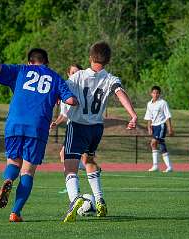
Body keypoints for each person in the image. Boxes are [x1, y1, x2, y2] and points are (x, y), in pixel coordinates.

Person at [0, 48, 77, 222]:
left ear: (30, 62)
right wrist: (65, 97)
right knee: (27, 172)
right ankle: (15, 212)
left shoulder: (21, 70)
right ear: (46, 62)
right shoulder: (55, 77)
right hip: (37, 127)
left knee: (13, 162)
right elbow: (71, 100)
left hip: (14, 124)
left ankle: (8, 179)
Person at [61, 41, 137, 222]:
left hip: (78, 125)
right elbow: (120, 93)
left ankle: (74, 200)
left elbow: (62, 91)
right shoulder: (110, 78)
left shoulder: (77, 76)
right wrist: (132, 115)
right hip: (96, 129)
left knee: (69, 166)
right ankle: (100, 199)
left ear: (90, 57)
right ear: (108, 60)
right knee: (89, 160)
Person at [50, 64, 86, 194]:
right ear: (68, 74)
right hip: (71, 127)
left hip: (79, 126)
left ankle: (73, 183)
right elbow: (63, 115)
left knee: (66, 156)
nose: (75, 75)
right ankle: (72, 182)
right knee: (63, 155)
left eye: (78, 72)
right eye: (73, 72)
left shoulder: (80, 90)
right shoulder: (66, 89)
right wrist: (56, 122)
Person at [144, 86, 174, 172]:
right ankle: (156, 166)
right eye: (154, 93)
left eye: (157, 93)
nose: (155, 94)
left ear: (159, 94)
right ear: (151, 94)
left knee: (156, 143)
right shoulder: (149, 104)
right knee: (155, 144)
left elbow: (168, 116)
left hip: (161, 125)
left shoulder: (163, 103)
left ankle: (168, 166)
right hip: (154, 126)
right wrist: (149, 127)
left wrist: (170, 128)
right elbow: (149, 116)